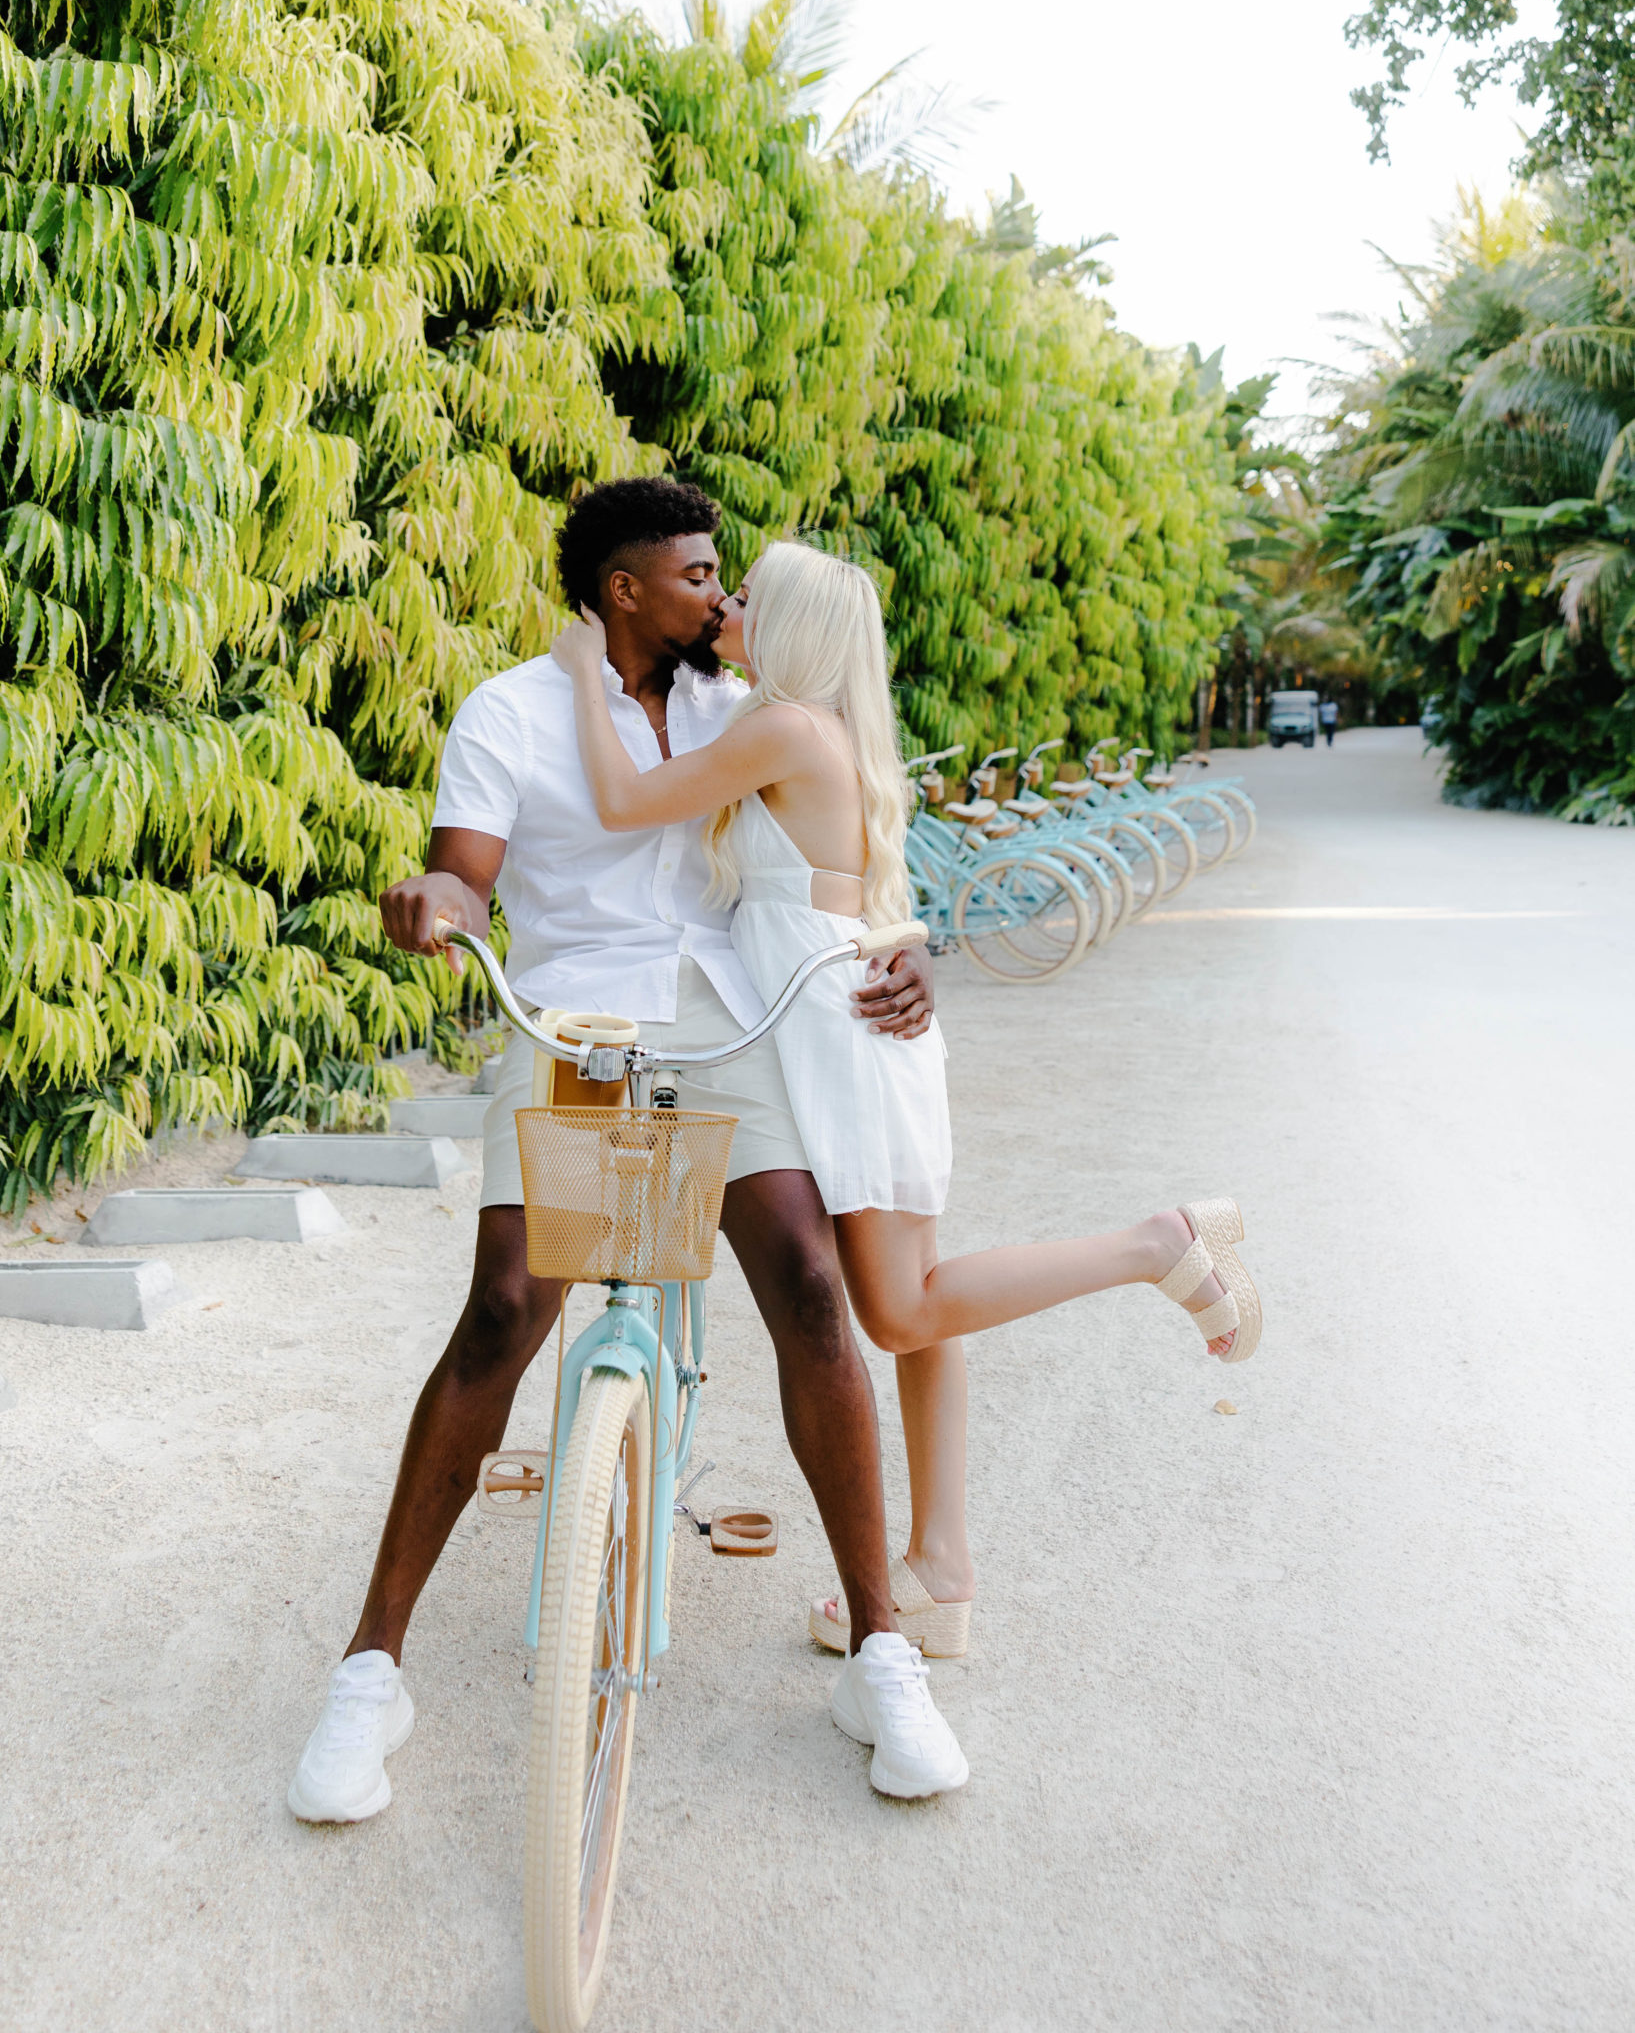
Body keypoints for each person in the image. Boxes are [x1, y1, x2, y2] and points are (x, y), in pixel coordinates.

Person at [288, 479, 969, 1823]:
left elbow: (848, 854)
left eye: (726, 577)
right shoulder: (513, 709)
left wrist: (911, 950)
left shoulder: (742, 705)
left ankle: (882, 1653)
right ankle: (370, 1668)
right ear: (621, 590)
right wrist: (437, 899)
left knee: (812, 1292)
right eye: (699, 573)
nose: (722, 595)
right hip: (577, 1022)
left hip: (724, 1026)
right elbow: (466, 869)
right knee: (501, 1315)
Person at [552, 539, 1264, 1667]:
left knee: (902, 1310)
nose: (726, 604)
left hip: (841, 1040)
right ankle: (942, 1575)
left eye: (749, 596)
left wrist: (584, 668)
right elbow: (866, 892)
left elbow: (625, 799)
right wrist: (915, 942)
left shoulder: (783, 728)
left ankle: (1154, 1244)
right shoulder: (810, 724)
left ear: (788, 626)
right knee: (931, 1310)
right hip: (847, 1024)